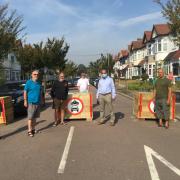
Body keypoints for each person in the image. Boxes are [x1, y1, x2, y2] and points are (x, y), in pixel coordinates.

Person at [24, 70, 42, 137]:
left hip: (37, 102)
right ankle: (29, 131)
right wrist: (25, 100)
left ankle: (33, 129)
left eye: (37, 74)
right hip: (31, 102)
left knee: (35, 117)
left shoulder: (38, 83)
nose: (36, 75)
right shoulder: (28, 82)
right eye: (34, 74)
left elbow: (39, 92)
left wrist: (41, 100)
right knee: (30, 117)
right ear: (32, 75)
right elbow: (25, 91)